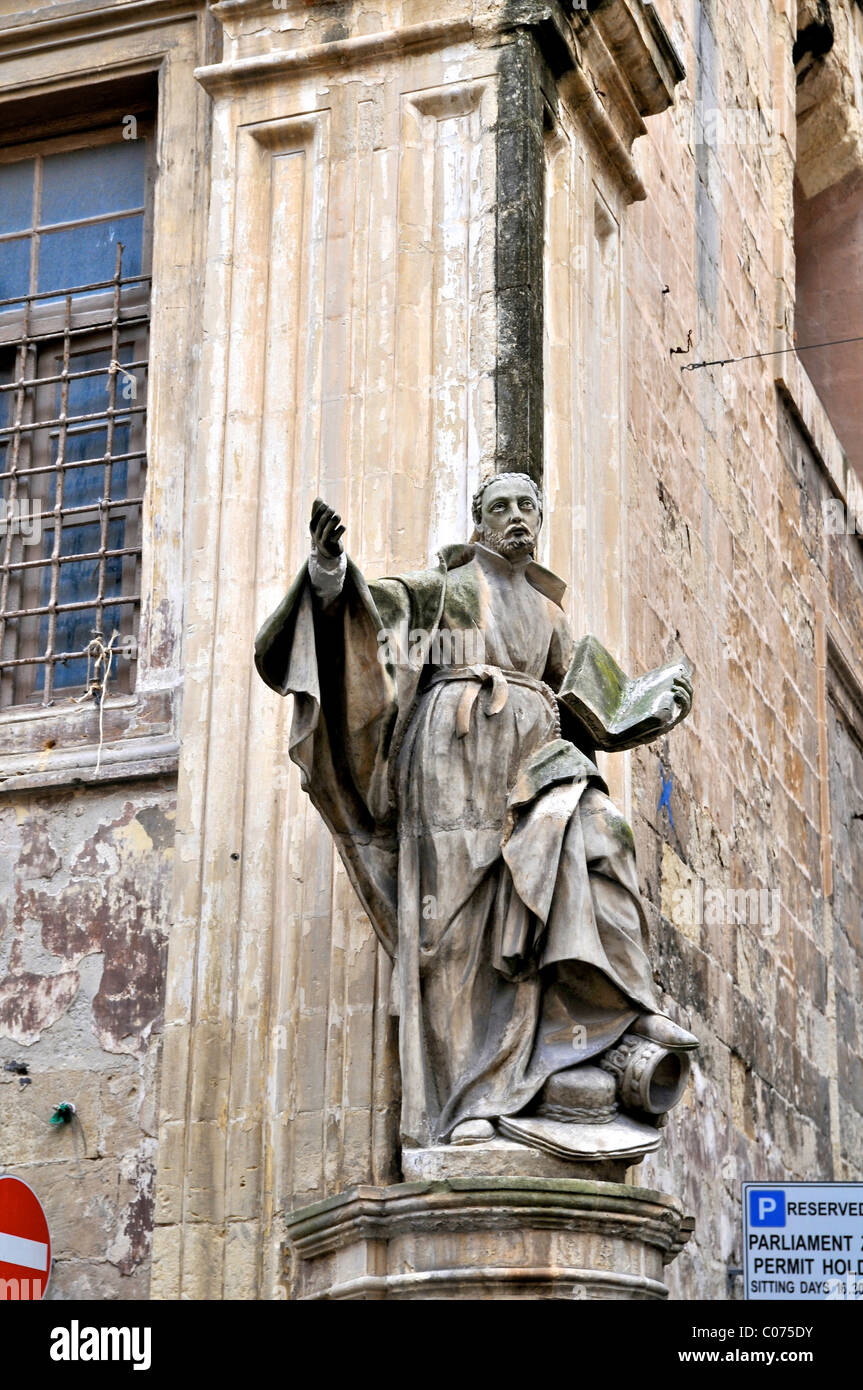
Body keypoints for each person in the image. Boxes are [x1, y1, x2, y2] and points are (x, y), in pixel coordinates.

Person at [255, 474, 696, 1151]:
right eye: (501, 508)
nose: (516, 517)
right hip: (454, 757)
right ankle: (469, 1102)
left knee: (602, 836)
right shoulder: (449, 587)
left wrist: (648, 708)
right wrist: (329, 572)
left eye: (527, 507)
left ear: (541, 518)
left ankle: (618, 1010)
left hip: (535, 758)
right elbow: (375, 620)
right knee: (456, 932)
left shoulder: (550, 614)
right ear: (478, 522)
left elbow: (592, 708)